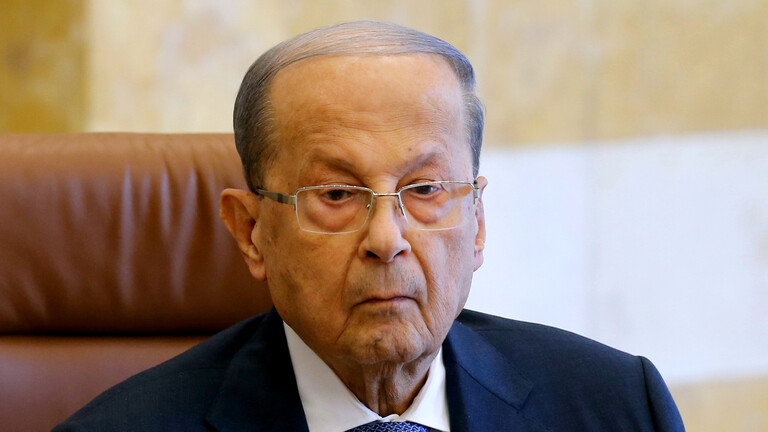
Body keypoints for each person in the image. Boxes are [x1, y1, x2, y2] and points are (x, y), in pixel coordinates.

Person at [53, 21, 685, 432]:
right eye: (336, 194)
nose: (387, 239)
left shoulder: (616, 405)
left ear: (478, 221)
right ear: (250, 231)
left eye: (426, 190)